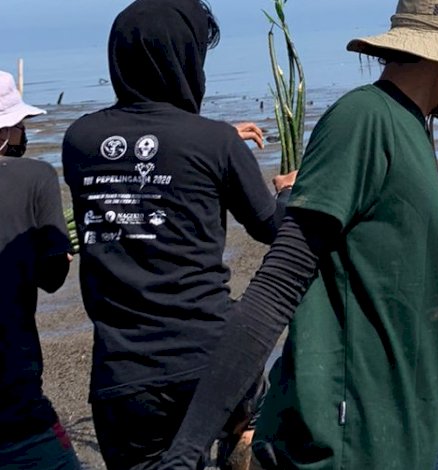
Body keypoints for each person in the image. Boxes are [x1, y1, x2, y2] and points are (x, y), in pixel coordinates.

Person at [157, 0, 438, 468]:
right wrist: (186, 450)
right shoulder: (362, 120)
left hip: (394, 435)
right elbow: (277, 285)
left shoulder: (409, 127)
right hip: (347, 439)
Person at [60, 1, 295, 468]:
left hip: (123, 375)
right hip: (211, 363)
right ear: (186, 59)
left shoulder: (79, 140)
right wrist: (287, 191)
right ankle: (242, 443)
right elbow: (273, 228)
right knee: (254, 413)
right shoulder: (214, 142)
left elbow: (146, 163)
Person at [0, 70, 82, 470]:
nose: (24, 134)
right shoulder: (36, 177)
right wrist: (61, 254)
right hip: (13, 388)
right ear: (6, 130)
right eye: (20, 125)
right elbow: (51, 277)